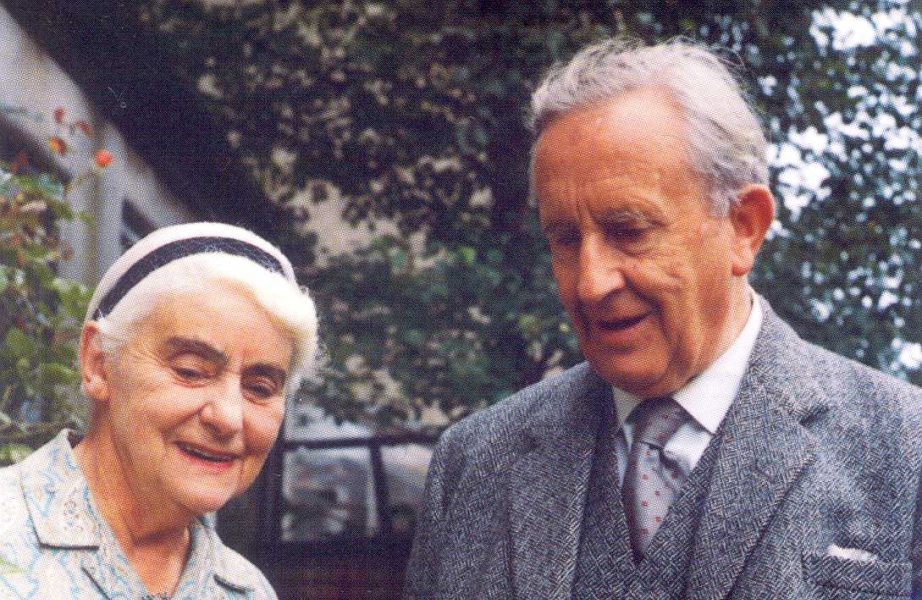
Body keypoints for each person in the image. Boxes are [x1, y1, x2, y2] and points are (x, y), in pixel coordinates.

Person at [405, 38, 922, 599]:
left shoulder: (903, 450)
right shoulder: (474, 464)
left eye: (629, 231)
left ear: (744, 227)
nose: (591, 283)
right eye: (565, 238)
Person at [0, 222, 318, 599]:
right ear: (99, 363)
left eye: (259, 388)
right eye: (191, 371)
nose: (228, 418)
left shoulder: (248, 591)